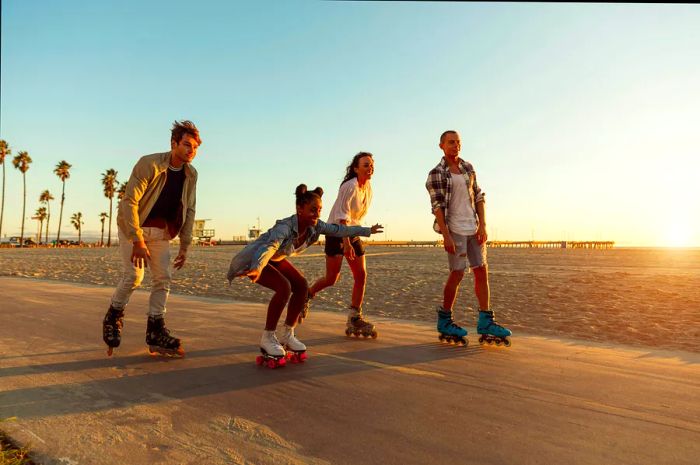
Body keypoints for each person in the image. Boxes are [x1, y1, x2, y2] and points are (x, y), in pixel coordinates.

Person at [227, 184, 383, 367]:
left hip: (275, 258)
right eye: (312, 210)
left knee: (301, 285)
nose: (317, 214)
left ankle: (287, 334)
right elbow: (269, 247)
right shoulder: (285, 227)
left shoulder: (315, 227)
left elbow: (340, 230)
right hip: (253, 261)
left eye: (319, 210)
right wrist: (258, 267)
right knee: (284, 287)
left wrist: (366, 231)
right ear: (299, 209)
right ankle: (267, 337)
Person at [102, 120, 202, 356]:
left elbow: (190, 209)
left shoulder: (191, 174)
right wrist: (137, 240)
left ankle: (155, 329)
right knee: (134, 276)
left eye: (195, 147)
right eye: (187, 145)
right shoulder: (149, 163)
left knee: (162, 279)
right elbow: (130, 202)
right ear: (173, 143)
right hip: (132, 227)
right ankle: (113, 316)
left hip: (160, 233)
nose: (191, 151)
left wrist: (185, 246)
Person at [425, 130, 512, 346]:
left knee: (481, 270)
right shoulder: (436, 173)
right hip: (454, 229)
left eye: (458, 142)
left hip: (473, 228)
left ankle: (485, 320)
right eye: (451, 142)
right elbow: (437, 207)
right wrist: (446, 236)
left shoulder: (467, 168)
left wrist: (482, 225)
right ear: (441, 146)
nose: (456, 146)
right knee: (457, 272)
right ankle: (445, 319)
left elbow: (479, 195)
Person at [307, 152, 378, 337]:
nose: (370, 168)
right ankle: (307, 294)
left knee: (361, 275)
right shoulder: (349, 186)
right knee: (332, 278)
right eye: (366, 165)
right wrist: (346, 244)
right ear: (356, 168)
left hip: (352, 231)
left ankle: (354, 317)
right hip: (336, 232)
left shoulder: (368, 187)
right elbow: (341, 216)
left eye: (371, 165)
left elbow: (355, 217)